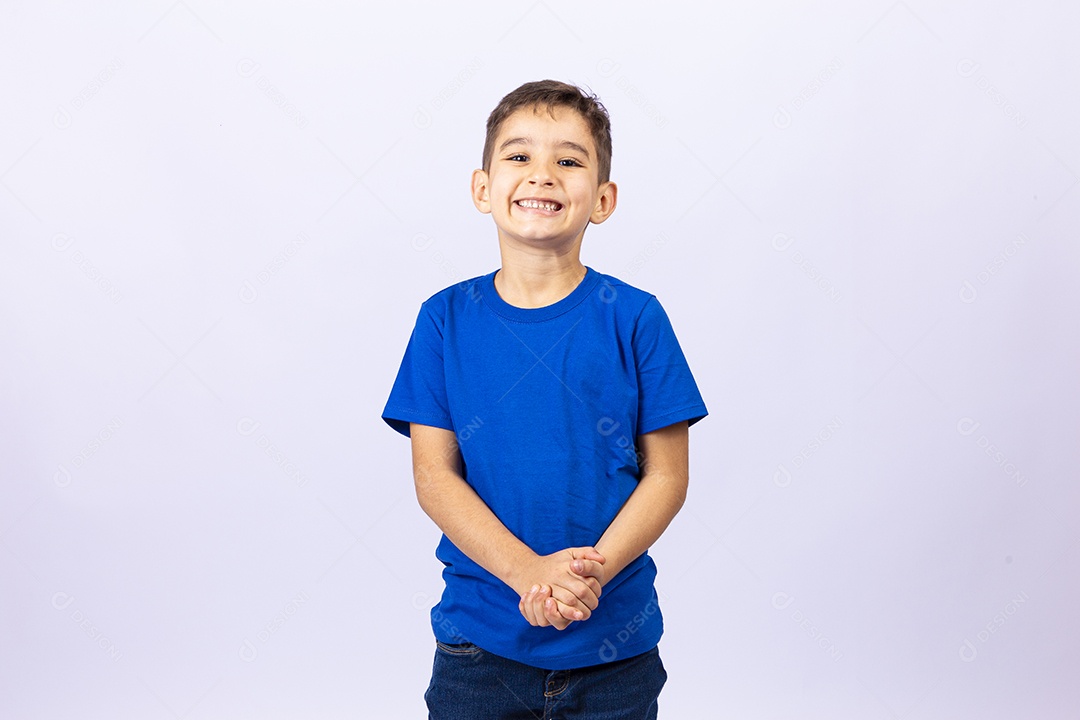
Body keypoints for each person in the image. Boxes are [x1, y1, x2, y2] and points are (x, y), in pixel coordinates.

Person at [382, 79, 707, 719]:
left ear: (604, 199)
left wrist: (585, 581)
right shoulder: (444, 320)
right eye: (519, 156)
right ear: (482, 188)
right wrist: (527, 573)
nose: (543, 175)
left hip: (614, 651)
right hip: (478, 649)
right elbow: (434, 479)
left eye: (569, 160)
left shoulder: (636, 318)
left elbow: (667, 477)